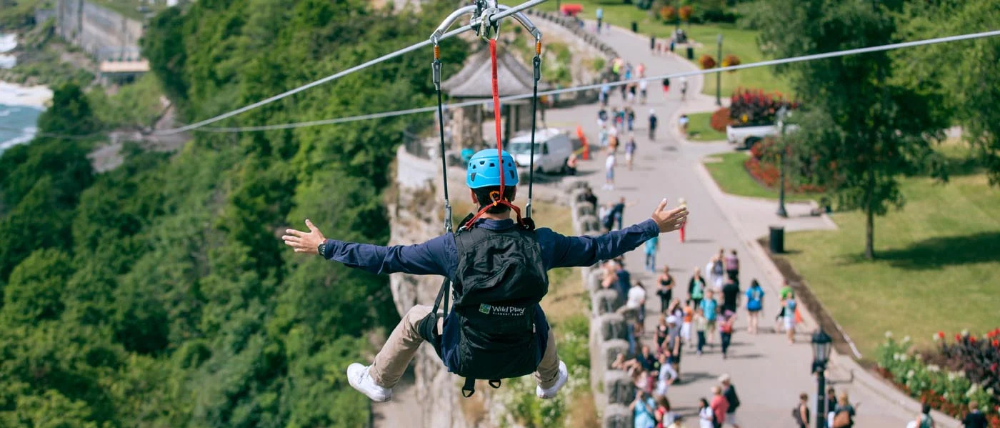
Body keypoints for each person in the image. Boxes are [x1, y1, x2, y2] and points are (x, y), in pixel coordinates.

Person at [282, 148, 690, 402]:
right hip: (524, 355)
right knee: (533, 310)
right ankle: (549, 380)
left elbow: (388, 258)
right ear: (512, 194)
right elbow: (601, 247)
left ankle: (378, 381)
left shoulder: (452, 247)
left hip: (465, 355)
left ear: (474, 196)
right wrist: (652, 226)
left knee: (416, 317)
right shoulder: (541, 244)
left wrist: (325, 246)